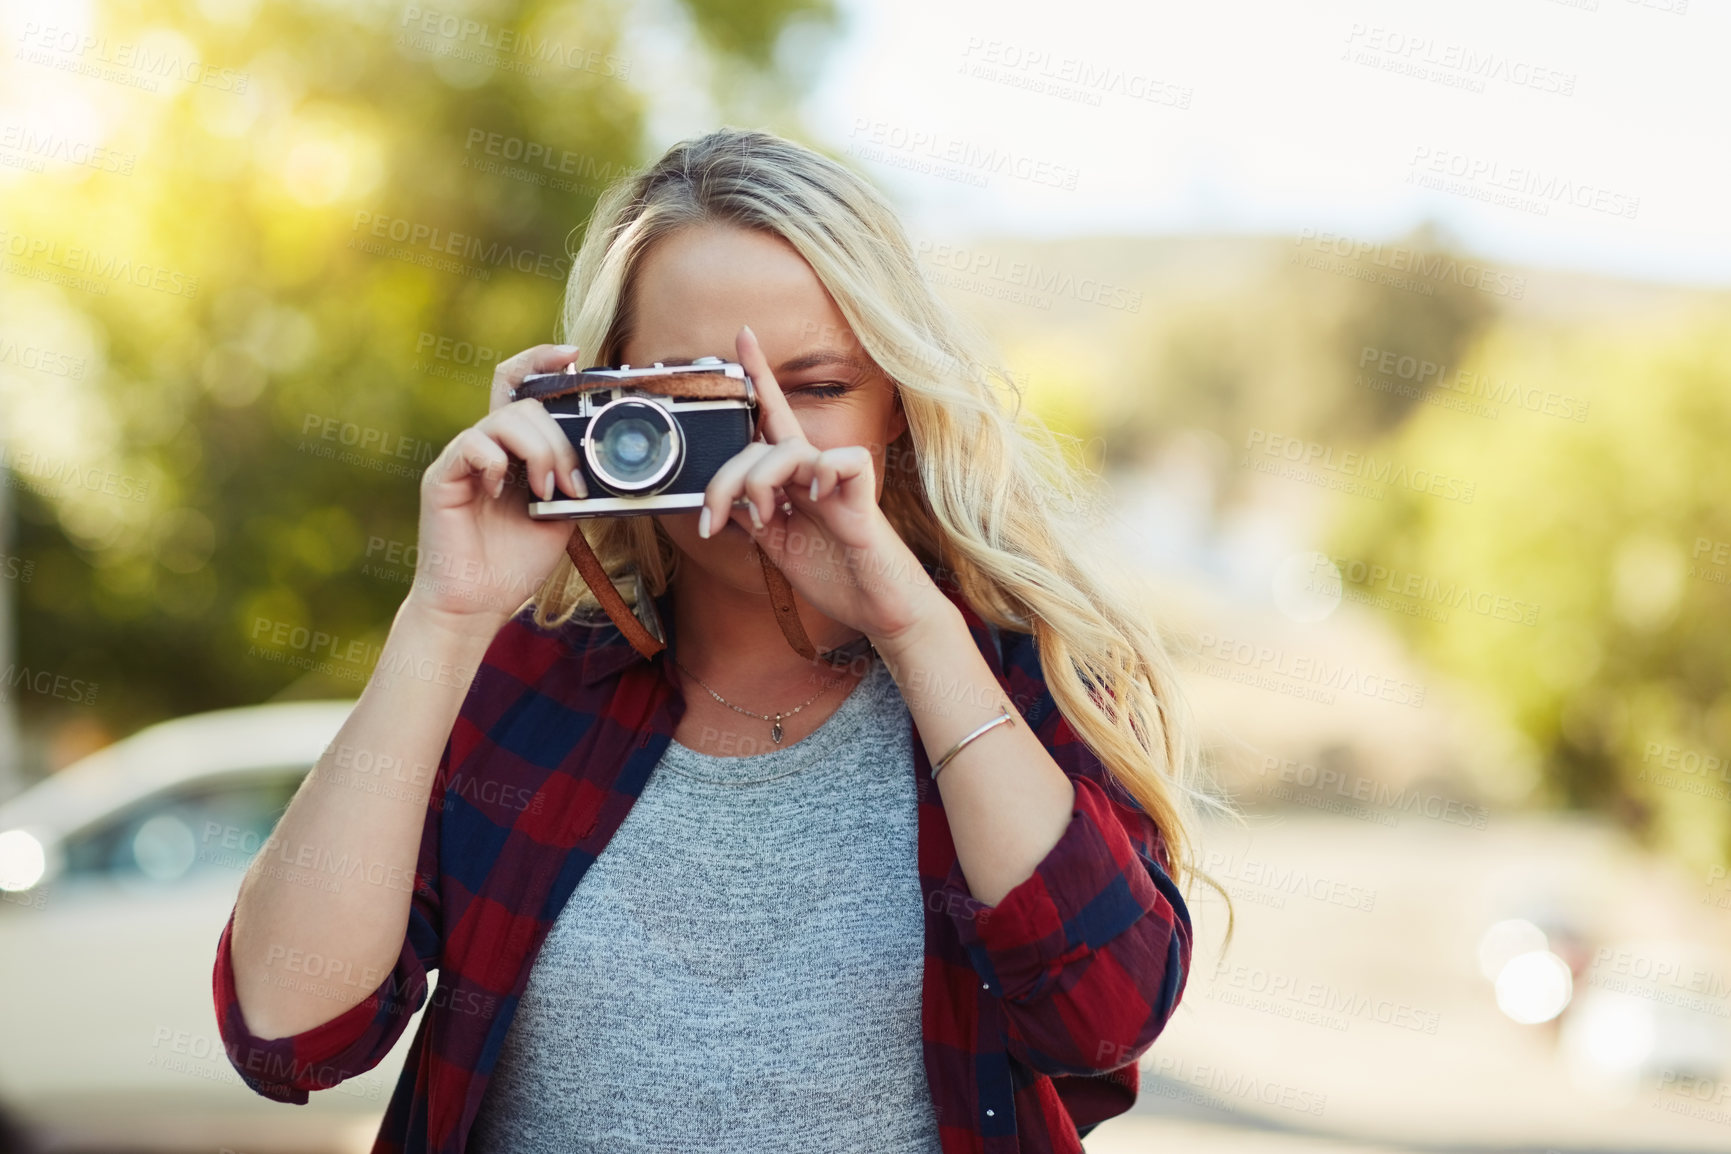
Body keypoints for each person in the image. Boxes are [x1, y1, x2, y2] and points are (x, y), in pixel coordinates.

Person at [213, 127, 1206, 1154]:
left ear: (900, 407)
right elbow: (288, 1035)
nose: (764, 443)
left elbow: (1104, 1015)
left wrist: (916, 630)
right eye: (695, 396)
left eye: (814, 389)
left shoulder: (1022, 670)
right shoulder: (520, 675)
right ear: (599, 408)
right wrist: (443, 616)